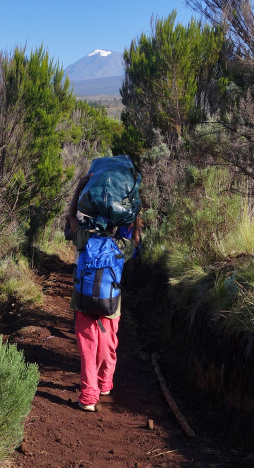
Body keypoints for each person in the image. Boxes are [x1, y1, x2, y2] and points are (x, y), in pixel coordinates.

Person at [65, 173, 141, 412]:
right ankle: (105, 384)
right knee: (108, 345)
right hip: (111, 305)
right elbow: (136, 239)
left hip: (84, 302)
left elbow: (70, 216)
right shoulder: (121, 246)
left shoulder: (84, 239)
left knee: (88, 348)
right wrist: (137, 213)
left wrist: (79, 187)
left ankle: (89, 397)